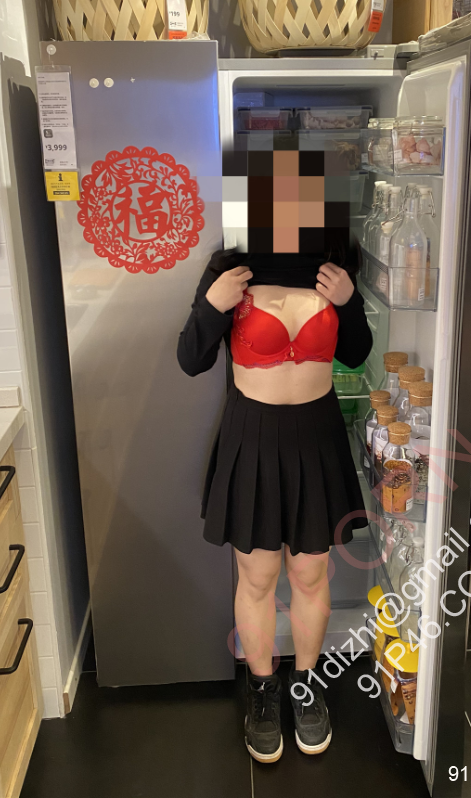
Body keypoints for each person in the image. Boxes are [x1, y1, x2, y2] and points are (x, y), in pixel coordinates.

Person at [177, 244, 372, 763]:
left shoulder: (332, 266)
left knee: (310, 573)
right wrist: (212, 305)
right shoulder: (230, 271)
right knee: (258, 577)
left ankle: (306, 685)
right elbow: (190, 360)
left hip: (316, 436)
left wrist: (349, 302)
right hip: (253, 437)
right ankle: (262, 690)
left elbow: (357, 354)